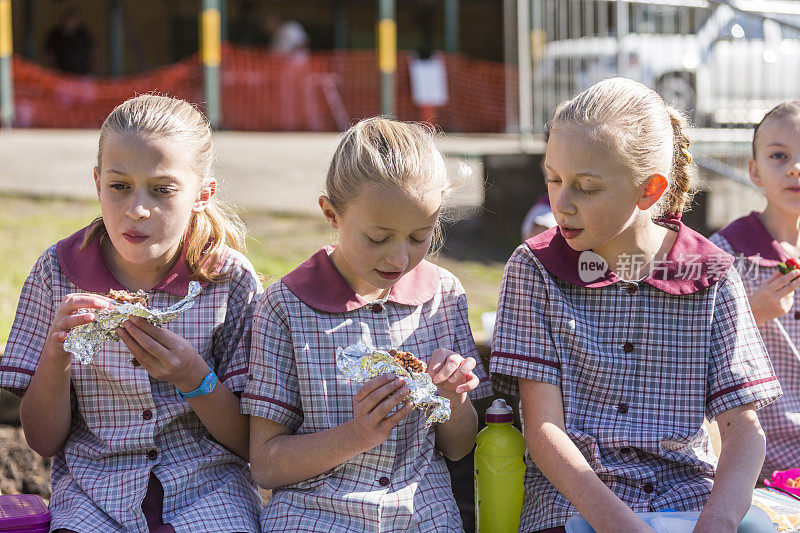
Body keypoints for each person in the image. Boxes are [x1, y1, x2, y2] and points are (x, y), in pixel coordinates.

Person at [490, 78, 781, 533]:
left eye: (586, 187)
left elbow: (743, 430)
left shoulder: (714, 274)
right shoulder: (534, 268)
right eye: (553, 178)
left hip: (690, 497)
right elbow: (543, 430)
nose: (561, 204)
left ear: (648, 191)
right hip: (576, 506)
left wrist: (718, 522)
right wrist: (621, 525)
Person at [0, 94, 262, 532]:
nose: (137, 209)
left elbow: (250, 442)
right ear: (98, 183)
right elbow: (42, 442)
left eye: (162, 190)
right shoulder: (56, 274)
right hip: (94, 494)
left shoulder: (229, 281)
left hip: (209, 489)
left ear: (202, 194)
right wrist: (56, 355)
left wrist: (195, 379)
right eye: (120, 186)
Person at [244, 117, 492, 532]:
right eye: (378, 238)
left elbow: (459, 446)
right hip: (314, 515)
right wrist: (357, 435)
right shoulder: (284, 307)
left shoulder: (442, 295)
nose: (398, 259)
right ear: (331, 213)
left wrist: (453, 396)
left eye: (419, 237)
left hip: (422, 515)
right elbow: (266, 464)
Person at [710, 100, 800, 480]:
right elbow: (689, 346)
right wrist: (752, 312)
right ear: (754, 171)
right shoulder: (725, 252)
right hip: (763, 458)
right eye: (779, 155)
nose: (795, 168)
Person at [45, 8, 94, 75]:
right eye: (70, 19)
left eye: (74, 19)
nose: (71, 22)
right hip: (61, 73)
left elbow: (91, 52)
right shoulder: (55, 34)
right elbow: (50, 53)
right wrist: (52, 68)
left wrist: (91, 70)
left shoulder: (83, 34)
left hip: (81, 72)